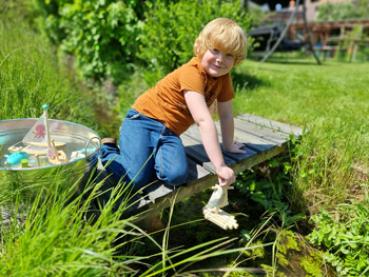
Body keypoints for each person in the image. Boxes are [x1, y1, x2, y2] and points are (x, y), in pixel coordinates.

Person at [99, 17, 247, 193]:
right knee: (135, 179)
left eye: (228, 55)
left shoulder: (223, 78)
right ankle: (105, 150)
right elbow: (202, 119)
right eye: (215, 50)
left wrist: (228, 145)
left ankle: (148, 156)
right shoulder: (192, 73)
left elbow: (226, 114)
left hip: (169, 132)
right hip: (142, 120)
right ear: (202, 47)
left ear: (236, 59)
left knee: (176, 176)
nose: (220, 59)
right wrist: (220, 165)